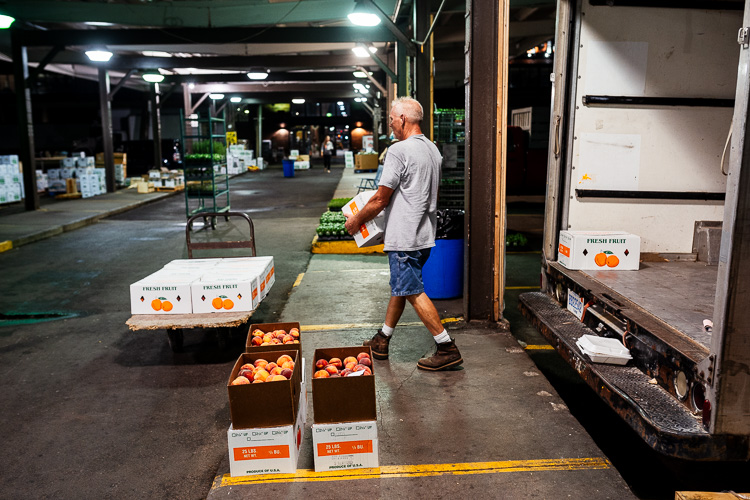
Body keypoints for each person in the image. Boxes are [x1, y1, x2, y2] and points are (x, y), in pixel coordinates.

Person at [344, 97, 463, 371]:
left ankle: (446, 346)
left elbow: (379, 200)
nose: (391, 125)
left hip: (404, 237)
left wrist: (355, 222)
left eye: (392, 120)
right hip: (423, 235)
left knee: (411, 290)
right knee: (402, 288)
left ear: (403, 120)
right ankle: (381, 341)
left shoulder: (399, 151)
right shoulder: (433, 150)